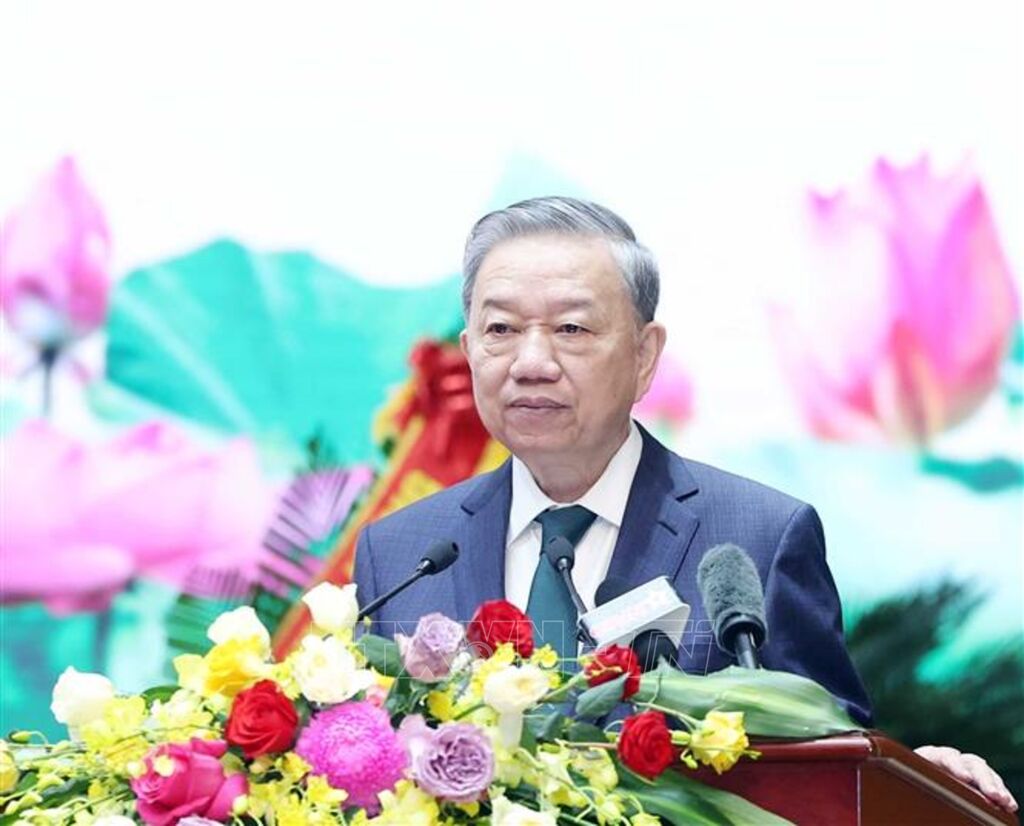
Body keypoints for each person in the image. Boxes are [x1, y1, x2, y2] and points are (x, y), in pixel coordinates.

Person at [354, 196, 1016, 813]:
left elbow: (833, 770)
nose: (531, 362)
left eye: (571, 328)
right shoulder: (401, 554)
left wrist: (920, 778)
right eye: (500, 328)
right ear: (470, 351)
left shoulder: (761, 539)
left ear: (645, 357)